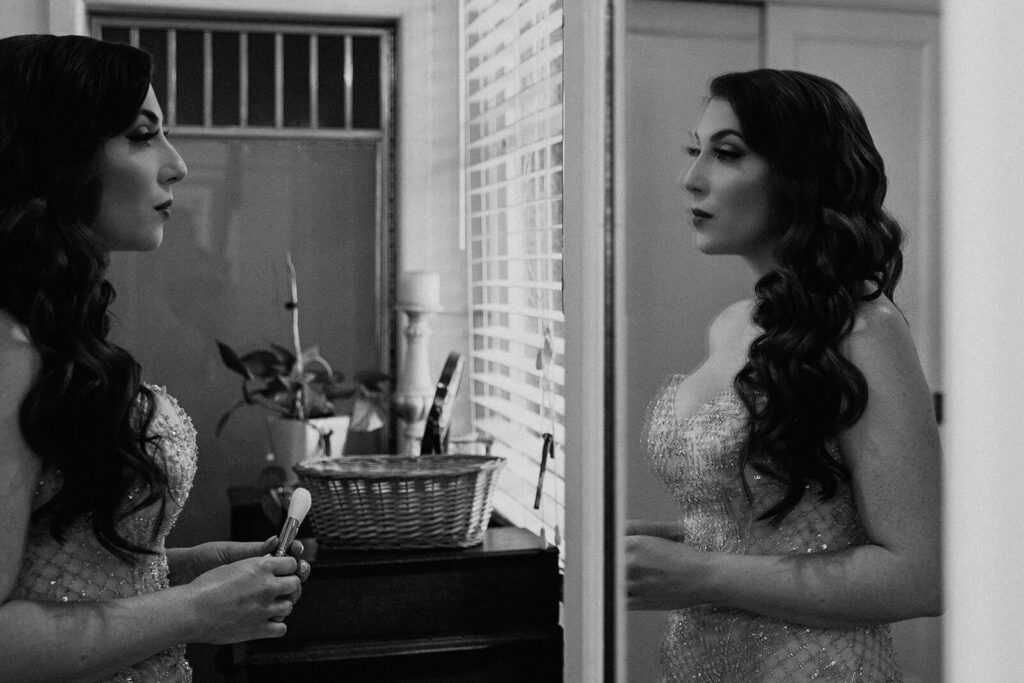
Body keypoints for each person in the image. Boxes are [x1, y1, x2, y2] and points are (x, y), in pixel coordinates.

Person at [0, 34, 311, 681]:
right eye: (143, 135)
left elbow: (52, 568)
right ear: (58, 154)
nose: (177, 165)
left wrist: (184, 570)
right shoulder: (6, 349)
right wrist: (194, 609)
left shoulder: (52, 330)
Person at [625, 69, 942, 681]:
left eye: (726, 154)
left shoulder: (866, 331)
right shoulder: (730, 326)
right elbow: (785, 528)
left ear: (800, 174)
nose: (691, 178)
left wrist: (701, 573)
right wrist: (678, 546)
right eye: (695, 150)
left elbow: (920, 578)